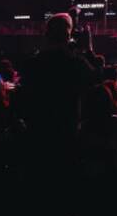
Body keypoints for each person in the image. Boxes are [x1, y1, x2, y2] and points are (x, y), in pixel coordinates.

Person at [18, 13, 99, 157]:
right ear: (68, 36)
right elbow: (97, 81)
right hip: (67, 135)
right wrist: (89, 49)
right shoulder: (76, 64)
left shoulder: (31, 64)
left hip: (37, 136)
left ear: (47, 35)